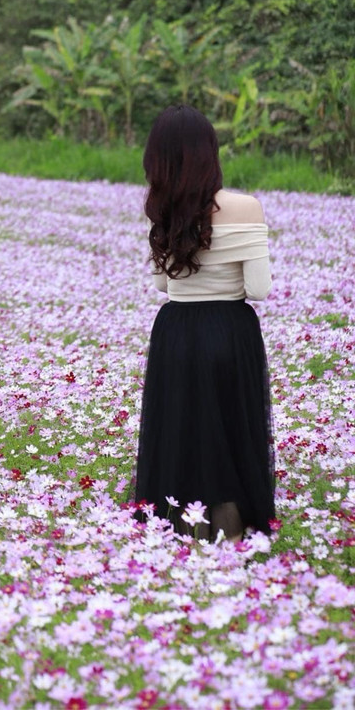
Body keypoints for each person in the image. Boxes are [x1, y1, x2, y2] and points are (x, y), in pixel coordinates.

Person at [132, 105, 275, 542]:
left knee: (182, 429)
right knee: (229, 429)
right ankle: (231, 532)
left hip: (177, 330)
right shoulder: (245, 206)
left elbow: (162, 284)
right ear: (209, 152)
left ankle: (182, 531)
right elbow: (259, 288)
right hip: (229, 330)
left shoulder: (163, 210)